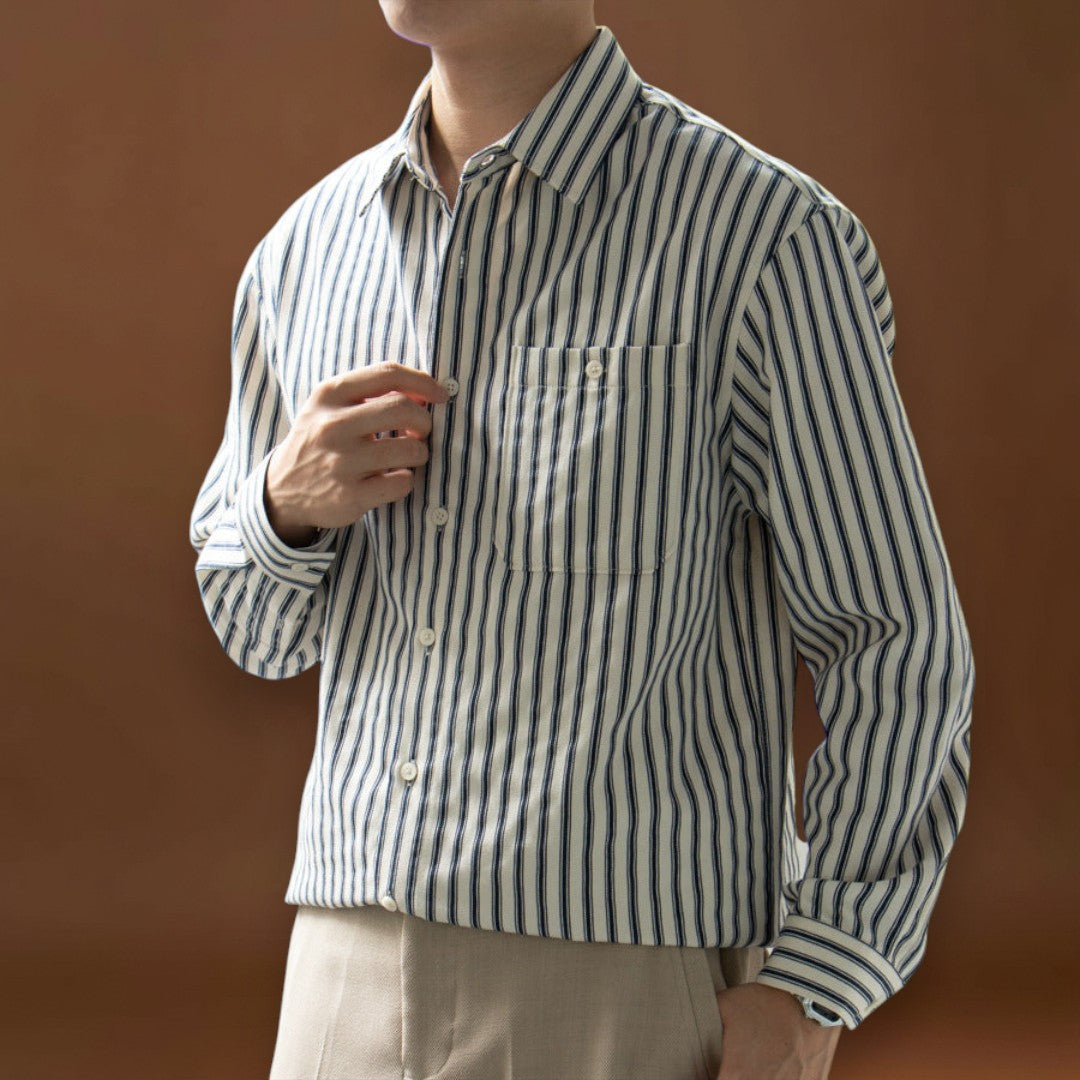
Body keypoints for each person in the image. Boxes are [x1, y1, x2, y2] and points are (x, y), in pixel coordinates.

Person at [188, 3, 974, 1078]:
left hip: (615, 980)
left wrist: (816, 982)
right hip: (340, 966)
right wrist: (283, 504)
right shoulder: (306, 251)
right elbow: (257, 635)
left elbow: (894, 637)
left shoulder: (764, 236)